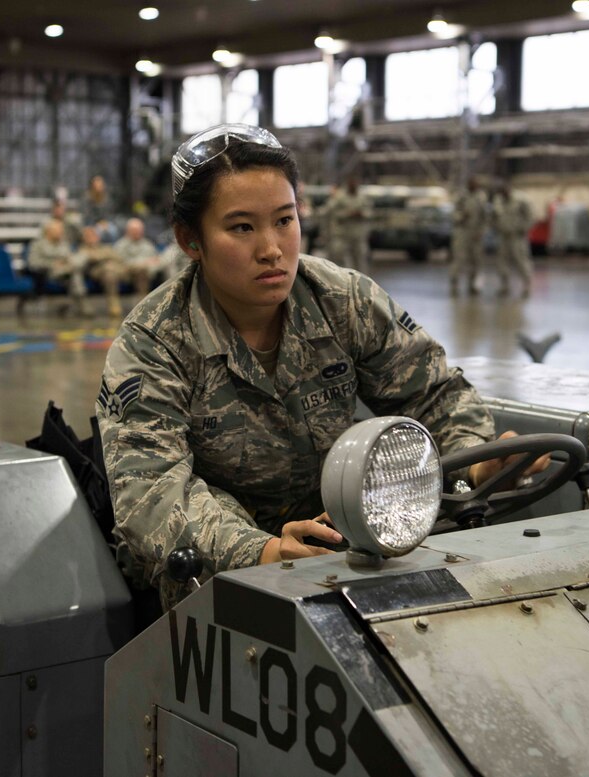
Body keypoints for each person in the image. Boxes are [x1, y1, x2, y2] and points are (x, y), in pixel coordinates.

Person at [97, 123, 547, 609]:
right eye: (241, 227)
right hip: (215, 573)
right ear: (191, 240)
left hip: (339, 542)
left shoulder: (344, 300)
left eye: (284, 221)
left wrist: (478, 462)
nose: (271, 249)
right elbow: (149, 495)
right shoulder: (153, 343)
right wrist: (263, 551)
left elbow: (433, 396)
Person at [25, 220, 89, 316]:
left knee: (80, 260)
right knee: (75, 270)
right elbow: (33, 263)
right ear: (49, 231)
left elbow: (69, 257)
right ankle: (83, 306)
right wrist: (52, 264)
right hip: (48, 274)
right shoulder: (37, 245)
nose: (61, 232)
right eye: (58, 230)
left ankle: (81, 305)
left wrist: (66, 262)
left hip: (67, 272)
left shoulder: (63, 244)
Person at [491, 183, 534, 298]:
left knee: (520, 260)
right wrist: (495, 227)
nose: (502, 194)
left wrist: (524, 228)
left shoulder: (521, 199)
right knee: (501, 262)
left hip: (517, 236)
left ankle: (526, 283)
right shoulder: (498, 200)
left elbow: (530, 216)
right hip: (503, 236)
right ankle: (504, 285)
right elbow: (493, 216)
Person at [73, 225, 126, 317]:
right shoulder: (82, 249)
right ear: (84, 238)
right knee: (108, 271)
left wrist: (101, 257)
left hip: (115, 271)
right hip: (95, 273)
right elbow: (89, 258)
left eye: (93, 235)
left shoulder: (106, 247)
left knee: (111, 270)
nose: (91, 238)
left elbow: (118, 258)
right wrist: (105, 257)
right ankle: (114, 305)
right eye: (88, 236)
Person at [326, 177, 372, 274]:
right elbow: (332, 212)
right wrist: (347, 214)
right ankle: (341, 278)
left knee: (360, 258)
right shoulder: (340, 196)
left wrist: (361, 214)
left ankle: (362, 280)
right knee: (339, 257)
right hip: (343, 233)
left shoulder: (362, 197)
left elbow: (369, 212)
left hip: (358, 234)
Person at [450, 177, 488, 296]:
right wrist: (461, 217)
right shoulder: (461, 196)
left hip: (475, 233)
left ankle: (473, 285)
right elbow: (454, 213)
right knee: (459, 258)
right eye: (471, 184)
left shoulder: (481, 197)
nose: (474, 185)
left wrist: (481, 232)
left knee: (475, 260)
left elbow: (485, 217)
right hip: (462, 231)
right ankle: (454, 282)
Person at [113, 217, 161, 295]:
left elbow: (156, 259)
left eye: (140, 230)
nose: (138, 232)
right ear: (128, 231)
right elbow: (121, 263)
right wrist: (144, 263)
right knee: (141, 270)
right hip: (127, 274)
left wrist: (152, 265)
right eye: (135, 230)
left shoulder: (147, 244)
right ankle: (142, 302)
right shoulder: (121, 245)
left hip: (149, 272)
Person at [82, 174, 117, 241]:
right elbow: (87, 216)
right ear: (92, 186)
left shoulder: (107, 198)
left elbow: (111, 213)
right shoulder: (87, 199)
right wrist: (98, 223)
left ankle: (112, 249)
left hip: (106, 223)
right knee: (98, 232)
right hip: (92, 224)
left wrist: (106, 223)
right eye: (96, 185)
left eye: (100, 185)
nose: (99, 187)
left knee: (113, 231)